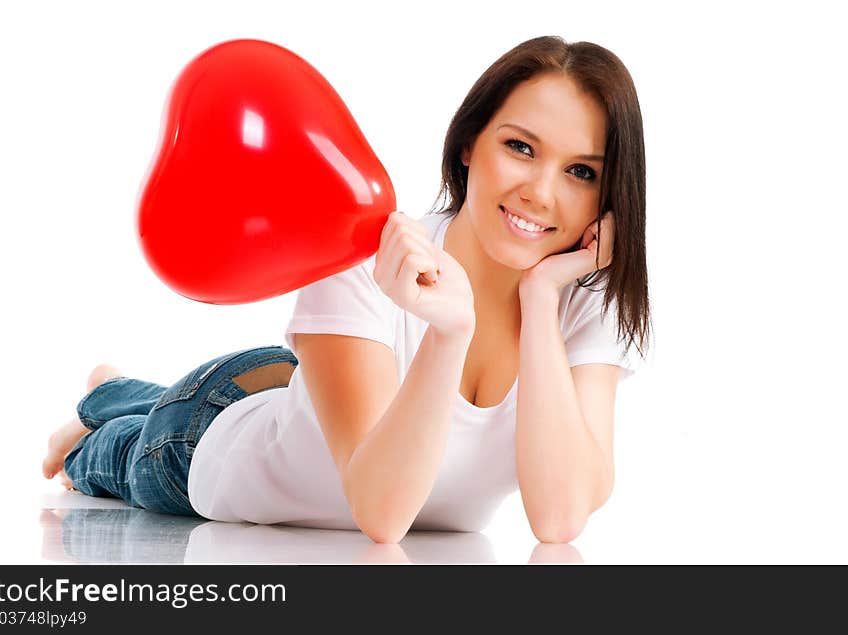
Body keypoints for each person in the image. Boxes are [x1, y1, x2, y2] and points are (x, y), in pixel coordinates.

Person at [42, 35, 651, 545]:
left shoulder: (578, 298)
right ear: (469, 144)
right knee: (119, 453)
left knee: (262, 395)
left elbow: (560, 517)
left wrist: (541, 303)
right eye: (520, 147)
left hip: (299, 390)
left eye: (581, 172)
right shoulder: (368, 256)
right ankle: (105, 407)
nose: (541, 193)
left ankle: (115, 387)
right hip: (206, 442)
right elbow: (382, 514)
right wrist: (449, 334)